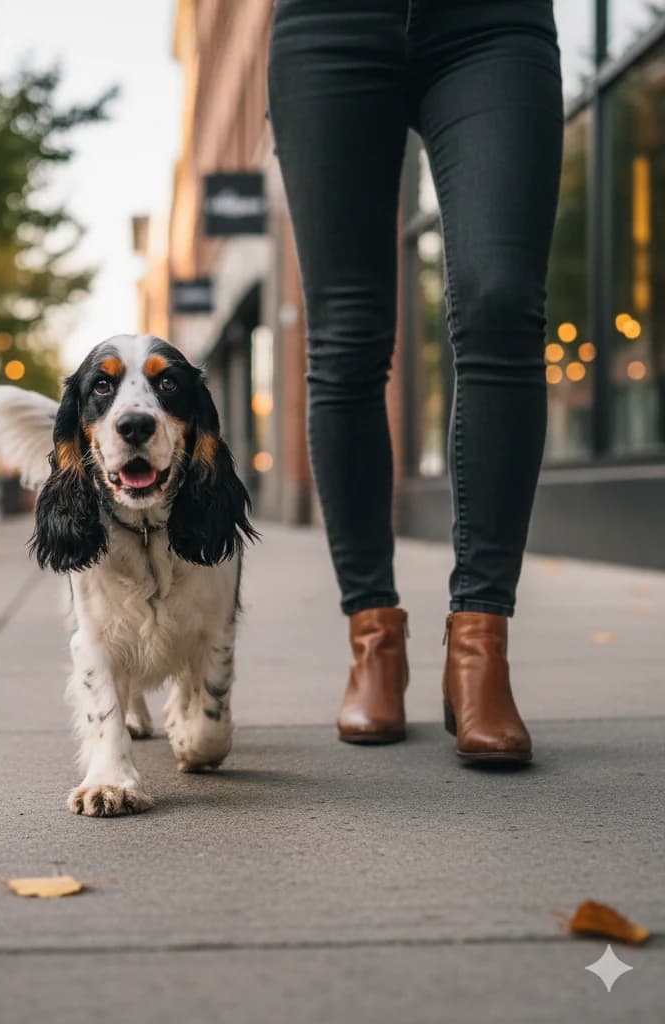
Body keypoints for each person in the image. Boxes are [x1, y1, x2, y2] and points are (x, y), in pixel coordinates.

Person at [267, 0, 563, 764]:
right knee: (346, 337)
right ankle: (374, 641)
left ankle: (480, 648)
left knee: (501, 301)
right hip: (327, 26)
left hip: (493, 22)